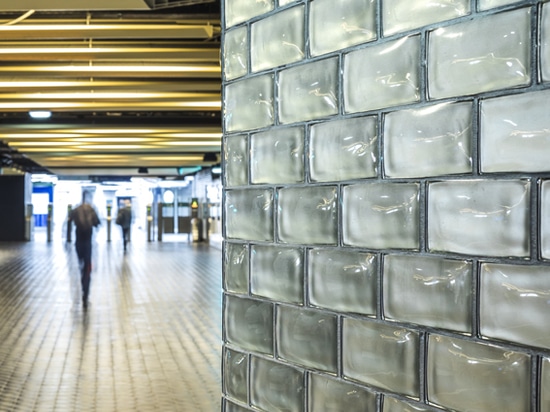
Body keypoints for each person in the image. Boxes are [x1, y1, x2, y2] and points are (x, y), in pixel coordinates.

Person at [69, 191, 100, 309]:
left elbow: (69, 220)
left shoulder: (76, 209)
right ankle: (85, 292)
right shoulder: (91, 209)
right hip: (88, 241)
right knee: (87, 267)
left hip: (78, 241)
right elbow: (97, 223)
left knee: (81, 262)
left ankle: (82, 269)